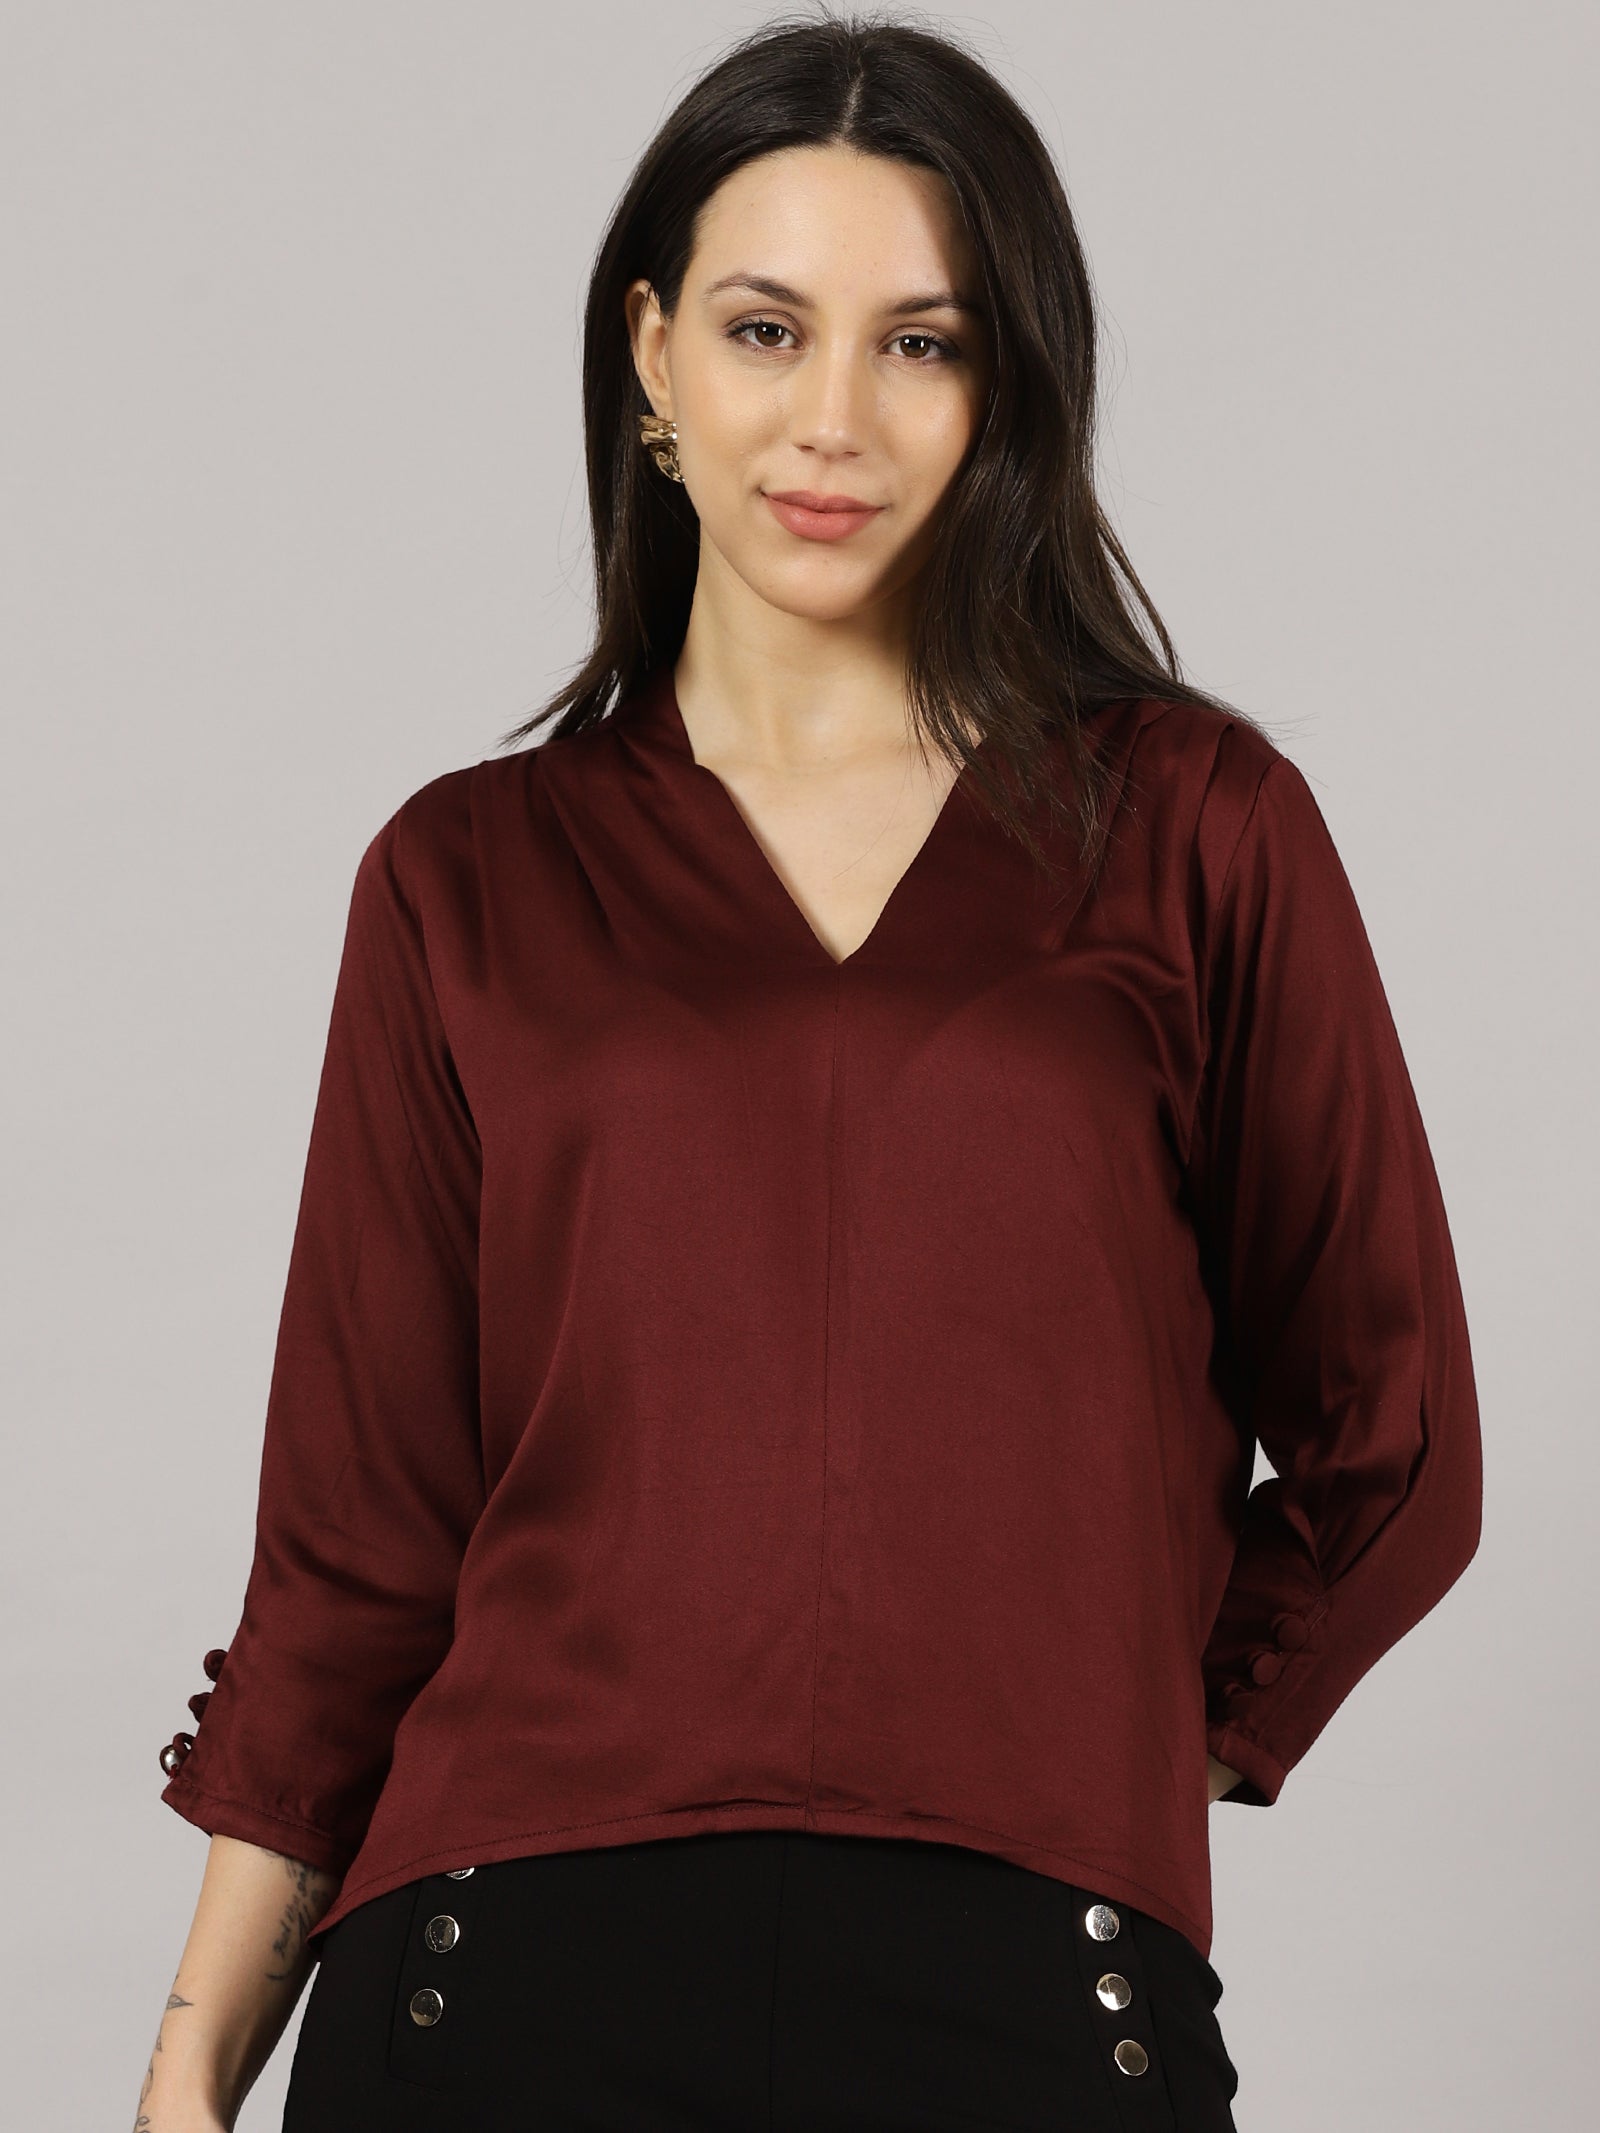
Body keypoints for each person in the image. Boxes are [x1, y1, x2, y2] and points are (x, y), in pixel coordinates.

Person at [137, 15, 1483, 2132]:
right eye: (765, 330)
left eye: (920, 343)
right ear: (653, 358)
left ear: (1005, 387)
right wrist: (192, 2058)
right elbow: (354, 1555)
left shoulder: (1198, 829)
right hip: (494, 1982)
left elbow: (1391, 1433)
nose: (832, 417)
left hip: (1026, 1981)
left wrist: (1128, 1729)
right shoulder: (463, 878)